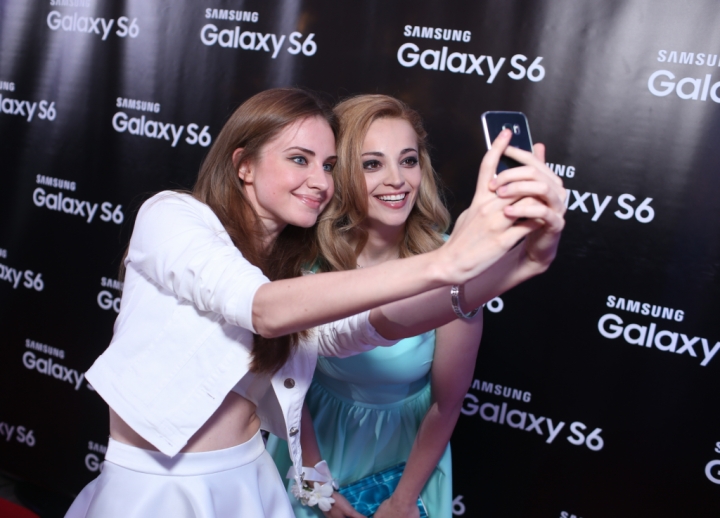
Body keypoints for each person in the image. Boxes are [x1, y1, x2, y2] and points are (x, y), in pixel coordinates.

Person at [63, 88, 561, 518]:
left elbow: (366, 327)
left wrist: (518, 267)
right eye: (299, 159)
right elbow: (262, 308)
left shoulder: (288, 267)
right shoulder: (171, 216)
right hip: (159, 484)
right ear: (243, 165)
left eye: (328, 166)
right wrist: (446, 262)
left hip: (250, 474)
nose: (321, 181)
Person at [267, 94, 567, 518]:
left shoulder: (456, 260)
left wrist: (403, 499)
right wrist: (316, 484)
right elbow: (289, 381)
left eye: (408, 161)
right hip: (310, 442)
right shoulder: (306, 260)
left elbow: (447, 404)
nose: (397, 180)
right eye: (372, 164)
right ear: (342, 171)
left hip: (407, 457)